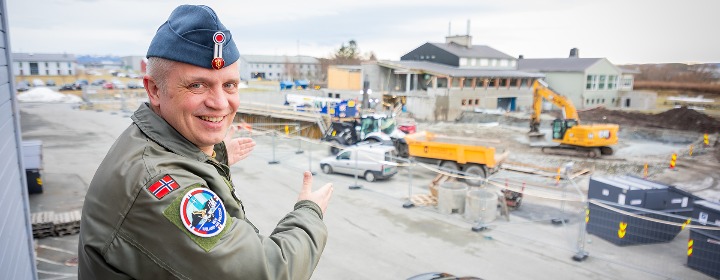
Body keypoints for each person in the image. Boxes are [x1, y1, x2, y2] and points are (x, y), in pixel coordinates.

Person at [78, 5, 333, 279]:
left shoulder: (152, 142)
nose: (220, 103)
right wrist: (309, 212)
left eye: (230, 85)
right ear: (154, 89)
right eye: (197, 85)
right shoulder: (158, 187)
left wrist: (214, 159)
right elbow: (270, 271)